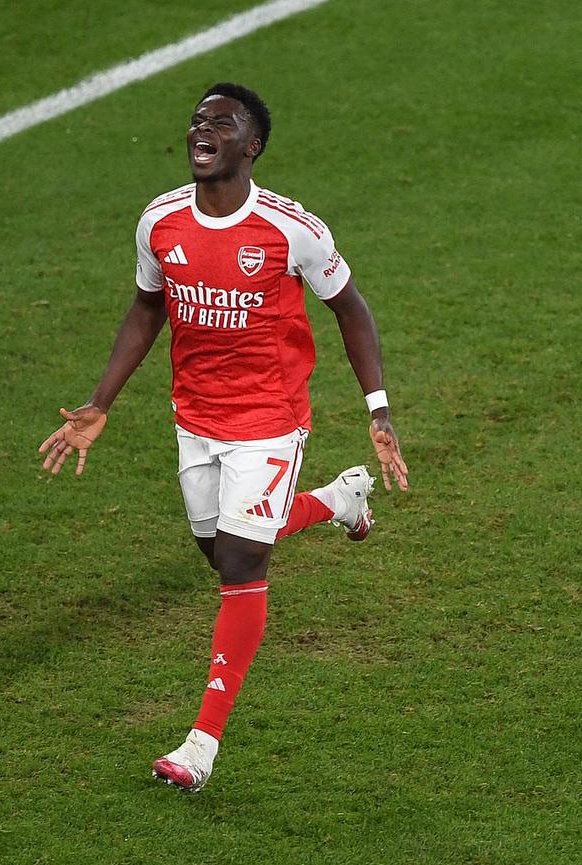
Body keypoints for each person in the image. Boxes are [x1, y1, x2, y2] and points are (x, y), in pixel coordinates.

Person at [38, 82, 408, 792]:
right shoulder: (160, 221)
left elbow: (351, 308)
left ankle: (200, 745)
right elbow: (147, 308)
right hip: (196, 417)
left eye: (223, 122)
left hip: (270, 417)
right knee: (220, 549)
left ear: (252, 145)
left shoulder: (291, 230)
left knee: (241, 561)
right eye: (198, 119)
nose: (203, 129)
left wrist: (379, 408)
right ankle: (336, 501)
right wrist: (99, 402)